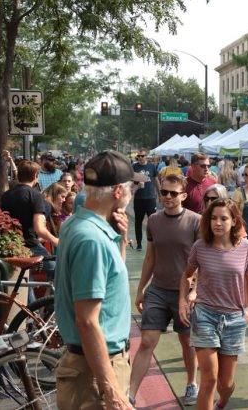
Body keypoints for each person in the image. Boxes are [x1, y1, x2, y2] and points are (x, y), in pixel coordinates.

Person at [54, 150, 145, 409]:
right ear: (118, 191)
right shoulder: (91, 239)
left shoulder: (77, 224)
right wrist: (111, 389)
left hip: (93, 365)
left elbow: (111, 277)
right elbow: (87, 320)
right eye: (130, 188)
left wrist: (121, 238)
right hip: (94, 372)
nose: (131, 194)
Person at [130, 174, 201, 406]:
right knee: (147, 342)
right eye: (164, 192)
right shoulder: (153, 220)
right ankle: (130, 395)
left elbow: (203, 260)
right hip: (158, 290)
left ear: (183, 195)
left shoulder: (196, 221)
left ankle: (192, 383)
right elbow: (150, 256)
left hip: (184, 293)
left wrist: (195, 290)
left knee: (186, 342)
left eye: (173, 193)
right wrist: (141, 289)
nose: (168, 197)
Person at [179, 198, 248, 410]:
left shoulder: (246, 247)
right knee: (209, 378)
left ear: (234, 221)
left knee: (226, 383)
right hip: (205, 315)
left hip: (234, 318)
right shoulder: (200, 247)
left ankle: (223, 400)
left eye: (224, 218)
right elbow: (186, 276)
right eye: (213, 218)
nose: (218, 223)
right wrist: (182, 302)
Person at [1, 160, 58, 258]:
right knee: (53, 266)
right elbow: (39, 228)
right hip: (29, 245)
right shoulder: (35, 195)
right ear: (36, 175)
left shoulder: (6, 195)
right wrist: (56, 240)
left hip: (10, 244)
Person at [132, 150, 159, 251]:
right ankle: (139, 244)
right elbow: (132, 183)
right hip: (139, 199)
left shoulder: (152, 166)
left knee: (153, 222)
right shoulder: (134, 167)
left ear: (146, 156)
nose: (140, 157)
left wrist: (160, 194)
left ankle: (154, 243)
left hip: (150, 198)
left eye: (142, 156)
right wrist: (137, 184)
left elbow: (156, 180)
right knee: (138, 222)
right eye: (138, 156)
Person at [42, 182, 68, 250]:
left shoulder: (52, 208)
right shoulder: (46, 207)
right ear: (55, 195)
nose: (64, 200)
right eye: (62, 197)